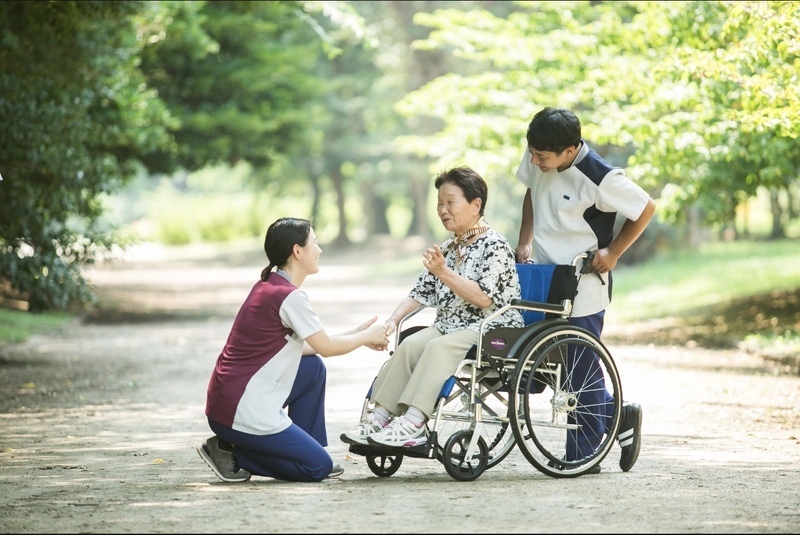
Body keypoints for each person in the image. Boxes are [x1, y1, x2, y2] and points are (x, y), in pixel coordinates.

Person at [514, 107, 656, 473]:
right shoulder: (538, 153)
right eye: (532, 152)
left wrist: (614, 252)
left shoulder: (599, 176)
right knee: (552, 365)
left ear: (569, 149)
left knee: (579, 366)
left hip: (583, 280)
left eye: (542, 157)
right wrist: (524, 239)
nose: (534, 160)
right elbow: (531, 190)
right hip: (543, 277)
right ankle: (617, 417)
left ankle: (584, 454)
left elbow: (645, 207)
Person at [341, 166, 524, 448]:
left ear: (476, 205)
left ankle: (414, 421)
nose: (443, 209)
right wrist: (392, 321)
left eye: (451, 202)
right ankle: (379, 418)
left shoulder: (495, 245)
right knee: (410, 345)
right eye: (439, 203)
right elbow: (420, 292)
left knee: (438, 347)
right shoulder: (448, 247)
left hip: (491, 327)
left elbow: (484, 298)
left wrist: (444, 273)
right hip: (449, 326)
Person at [196, 217, 390, 483]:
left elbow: (307, 348)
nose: (319, 250)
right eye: (315, 243)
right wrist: (367, 335)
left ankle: (306, 448)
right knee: (316, 468)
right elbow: (327, 347)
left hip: (227, 403)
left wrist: (358, 336)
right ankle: (230, 452)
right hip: (240, 410)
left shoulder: (269, 285)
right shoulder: (290, 296)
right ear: (297, 251)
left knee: (313, 369)